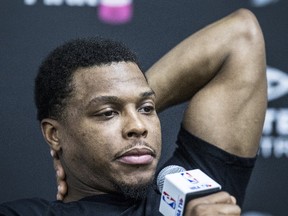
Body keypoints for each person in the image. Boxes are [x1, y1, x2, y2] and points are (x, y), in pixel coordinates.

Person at [0, 8, 266, 216]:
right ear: (53, 134)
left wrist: (130, 103)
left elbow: (240, 35)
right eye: (107, 113)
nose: (139, 127)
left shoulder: (189, 199)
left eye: (147, 109)